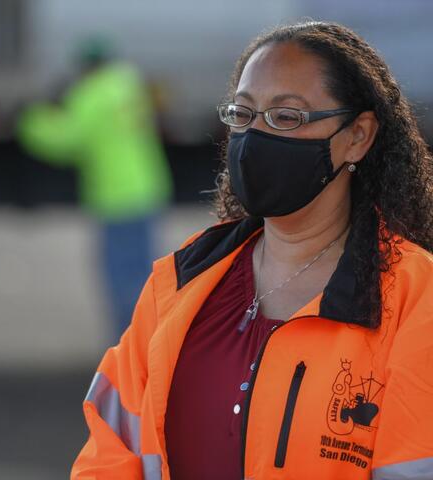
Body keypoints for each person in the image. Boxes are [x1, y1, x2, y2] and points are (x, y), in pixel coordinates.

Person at [71, 21, 433, 480]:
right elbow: (110, 447)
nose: (255, 138)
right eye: (243, 115)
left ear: (358, 136)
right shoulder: (183, 277)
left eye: (287, 117)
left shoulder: (415, 301)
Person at [17, 40, 173, 343]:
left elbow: (67, 138)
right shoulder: (129, 84)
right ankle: (150, 339)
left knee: (121, 276)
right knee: (143, 273)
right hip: (146, 189)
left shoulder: (92, 93)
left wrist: (28, 120)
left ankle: (130, 346)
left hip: (117, 197)